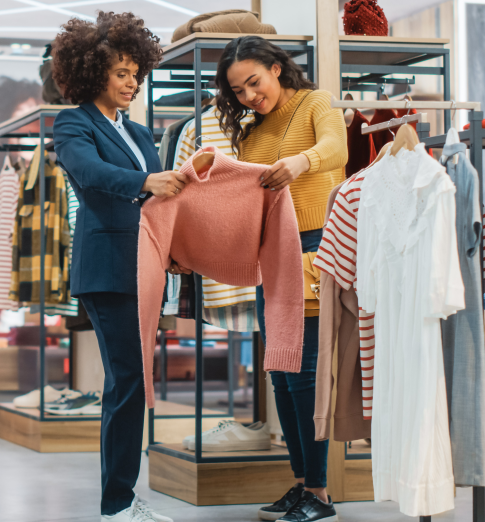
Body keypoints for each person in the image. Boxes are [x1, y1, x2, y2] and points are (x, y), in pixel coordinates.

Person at [49, 11, 186, 522]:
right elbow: (87, 172)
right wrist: (147, 183)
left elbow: (160, 202)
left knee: (135, 380)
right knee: (128, 380)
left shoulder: (142, 134)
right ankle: (117, 505)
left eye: (136, 73)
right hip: (108, 267)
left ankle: (124, 500)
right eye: (120, 72)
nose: (131, 83)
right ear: (92, 72)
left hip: (147, 265)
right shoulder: (74, 122)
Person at [211, 35, 347, 522]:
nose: (249, 95)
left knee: (306, 373)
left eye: (254, 81)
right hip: (274, 253)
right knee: (283, 373)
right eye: (239, 91)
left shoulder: (316, 103)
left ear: (275, 68)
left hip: (314, 249)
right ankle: (300, 483)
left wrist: (299, 162)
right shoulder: (252, 131)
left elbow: (336, 148)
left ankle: (320, 492)